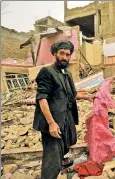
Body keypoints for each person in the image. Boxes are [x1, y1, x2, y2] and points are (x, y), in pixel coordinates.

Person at [33, 40, 94, 179]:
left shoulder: (67, 73)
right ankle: (49, 175)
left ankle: (63, 161)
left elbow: (71, 93)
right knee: (52, 154)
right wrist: (51, 123)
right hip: (54, 120)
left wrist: (88, 97)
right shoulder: (47, 72)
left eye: (68, 54)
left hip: (67, 117)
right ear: (55, 54)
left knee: (69, 140)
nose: (65, 57)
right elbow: (42, 98)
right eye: (62, 53)